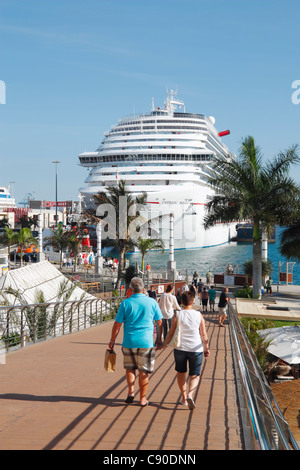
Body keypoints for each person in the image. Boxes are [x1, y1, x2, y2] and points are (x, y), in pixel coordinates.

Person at [108, 277, 163, 407]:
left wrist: (112, 340)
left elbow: (117, 324)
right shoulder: (152, 302)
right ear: (143, 289)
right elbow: (159, 322)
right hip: (146, 342)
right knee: (144, 371)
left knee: (130, 368)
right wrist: (159, 339)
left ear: (130, 290)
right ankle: (143, 399)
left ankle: (131, 392)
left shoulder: (125, 303)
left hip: (129, 341)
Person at [158, 291, 210, 410]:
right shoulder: (198, 315)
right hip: (196, 348)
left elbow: (171, 334)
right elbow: (204, 334)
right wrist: (206, 348)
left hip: (180, 348)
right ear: (193, 301)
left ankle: (184, 398)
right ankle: (190, 394)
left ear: (181, 302)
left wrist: (164, 345)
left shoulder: (177, 315)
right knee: (195, 374)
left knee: (181, 372)